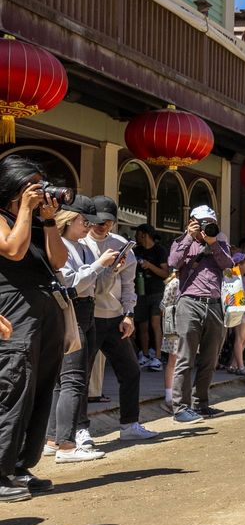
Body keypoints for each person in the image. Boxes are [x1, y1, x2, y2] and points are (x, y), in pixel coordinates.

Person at [0, 154, 67, 501]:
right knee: (13, 387)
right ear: (14, 186)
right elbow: (12, 250)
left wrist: (50, 220)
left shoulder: (37, 221)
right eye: (33, 186)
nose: (40, 192)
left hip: (45, 307)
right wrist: (25, 211)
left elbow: (58, 261)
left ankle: (20, 466)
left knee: (39, 389)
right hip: (14, 308)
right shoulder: (2, 218)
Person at [44, 196, 114, 463]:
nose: (88, 227)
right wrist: (98, 266)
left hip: (87, 312)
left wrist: (110, 270)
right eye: (85, 221)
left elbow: (96, 287)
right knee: (72, 380)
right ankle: (66, 444)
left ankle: (53, 439)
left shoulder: (83, 248)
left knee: (66, 382)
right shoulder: (59, 244)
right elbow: (71, 283)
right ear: (69, 219)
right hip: (69, 311)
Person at [82, 195, 157, 441]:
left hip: (115, 318)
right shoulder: (81, 243)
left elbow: (129, 286)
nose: (100, 226)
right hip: (88, 317)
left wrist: (129, 314)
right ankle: (78, 430)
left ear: (113, 222)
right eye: (97, 221)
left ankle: (129, 425)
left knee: (131, 371)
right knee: (79, 376)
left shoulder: (123, 244)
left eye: (106, 222)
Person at [168, 204, 234, 422]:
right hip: (189, 302)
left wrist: (213, 242)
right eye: (201, 222)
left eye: (209, 223)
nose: (205, 227)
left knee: (209, 358)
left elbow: (228, 264)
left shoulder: (220, 242)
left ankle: (201, 404)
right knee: (185, 358)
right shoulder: (182, 242)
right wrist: (189, 237)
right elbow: (173, 263)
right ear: (192, 222)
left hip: (214, 304)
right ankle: (180, 408)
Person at [133, 223, 168, 371]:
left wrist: (149, 265)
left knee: (155, 323)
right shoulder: (135, 251)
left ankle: (158, 357)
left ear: (144, 235)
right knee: (142, 324)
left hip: (156, 291)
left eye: (138, 234)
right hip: (140, 291)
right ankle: (145, 354)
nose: (136, 237)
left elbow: (165, 273)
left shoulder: (159, 250)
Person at [225, 251, 245, 376]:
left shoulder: (244, 276)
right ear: (239, 264)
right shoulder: (232, 275)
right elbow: (244, 294)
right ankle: (240, 366)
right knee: (240, 338)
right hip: (238, 309)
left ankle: (233, 364)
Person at [159, 270, 181, 412]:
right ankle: (169, 397)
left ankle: (177, 395)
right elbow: (164, 305)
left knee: (179, 361)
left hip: (183, 326)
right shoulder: (175, 283)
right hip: (174, 326)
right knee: (173, 361)